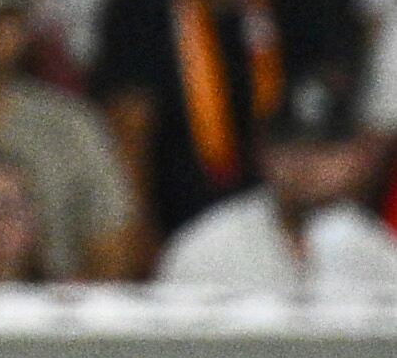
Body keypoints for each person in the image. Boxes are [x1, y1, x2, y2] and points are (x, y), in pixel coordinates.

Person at [151, 81, 397, 304]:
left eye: (323, 149)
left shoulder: (377, 249)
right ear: (262, 152)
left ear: (357, 157)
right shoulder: (204, 247)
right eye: (291, 147)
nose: (306, 163)